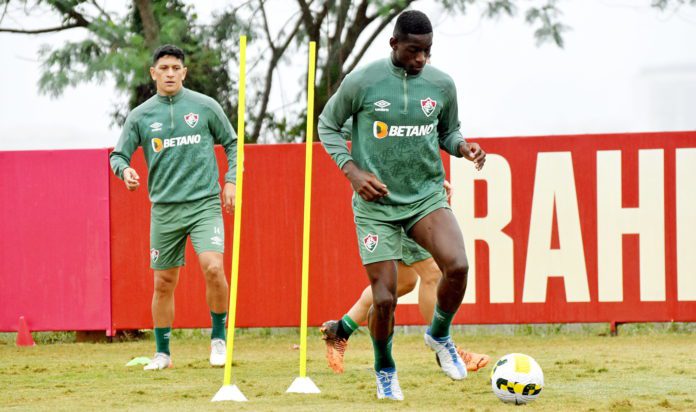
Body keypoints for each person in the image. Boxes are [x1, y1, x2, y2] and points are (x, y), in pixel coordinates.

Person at [317, 10, 486, 400]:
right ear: (393, 44)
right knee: (386, 297)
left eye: (427, 51)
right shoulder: (363, 81)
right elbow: (327, 123)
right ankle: (385, 370)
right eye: (413, 50)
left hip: (425, 196)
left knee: (456, 266)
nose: (421, 59)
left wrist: (462, 147)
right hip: (377, 205)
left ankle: (439, 337)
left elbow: (449, 130)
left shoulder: (441, 84)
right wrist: (353, 172)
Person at [110, 44, 237, 371]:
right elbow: (118, 155)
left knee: (213, 267)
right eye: (163, 68)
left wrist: (231, 180)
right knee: (164, 282)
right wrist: (126, 171)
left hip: (204, 203)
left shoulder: (205, 106)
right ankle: (163, 353)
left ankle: (219, 338)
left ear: (184, 72)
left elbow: (233, 143)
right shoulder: (140, 116)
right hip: (165, 209)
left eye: (175, 68)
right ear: (153, 73)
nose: (169, 73)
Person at [320, 183, 490, 375]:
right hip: (396, 202)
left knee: (403, 282)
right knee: (432, 273)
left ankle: (340, 330)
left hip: (402, 198)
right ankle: (446, 350)